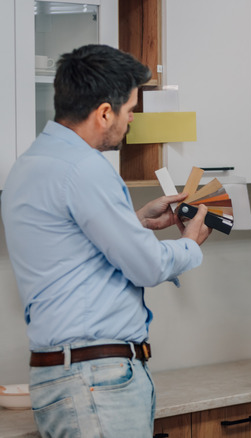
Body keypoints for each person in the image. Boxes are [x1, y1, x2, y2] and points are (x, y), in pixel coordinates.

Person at [1, 44, 211, 437]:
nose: (130, 121)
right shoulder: (85, 168)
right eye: (130, 110)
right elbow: (147, 265)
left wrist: (133, 224)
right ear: (103, 113)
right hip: (95, 379)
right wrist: (191, 244)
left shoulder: (29, 164)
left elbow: (68, 247)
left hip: (64, 376)